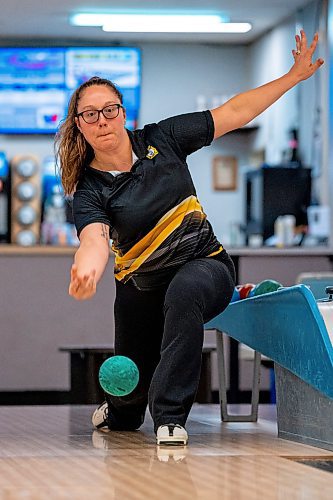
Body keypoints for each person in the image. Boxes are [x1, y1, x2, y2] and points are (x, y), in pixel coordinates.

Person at [55, 30, 323, 446]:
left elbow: (234, 111)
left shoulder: (163, 138)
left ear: (122, 113)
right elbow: (94, 238)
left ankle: (170, 417)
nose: (102, 120)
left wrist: (293, 77)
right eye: (90, 115)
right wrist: (86, 269)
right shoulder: (89, 189)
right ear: (79, 126)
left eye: (109, 109)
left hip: (206, 267)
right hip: (139, 287)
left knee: (185, 289)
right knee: (127, 403)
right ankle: (121, 409)